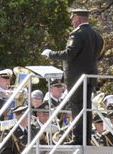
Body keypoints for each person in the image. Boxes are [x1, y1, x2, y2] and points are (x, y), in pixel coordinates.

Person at [43, 7, 103, 146]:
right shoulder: (96, 35)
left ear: (78, 18)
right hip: (90, 78)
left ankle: (78, 138)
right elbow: (98, 55)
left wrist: (50, 54)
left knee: (77, 108)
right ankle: (86, 138)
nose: (72, 22)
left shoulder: (77, 34)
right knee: (86, 109)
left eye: (73, 19)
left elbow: (69, 54)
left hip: (76, 78)